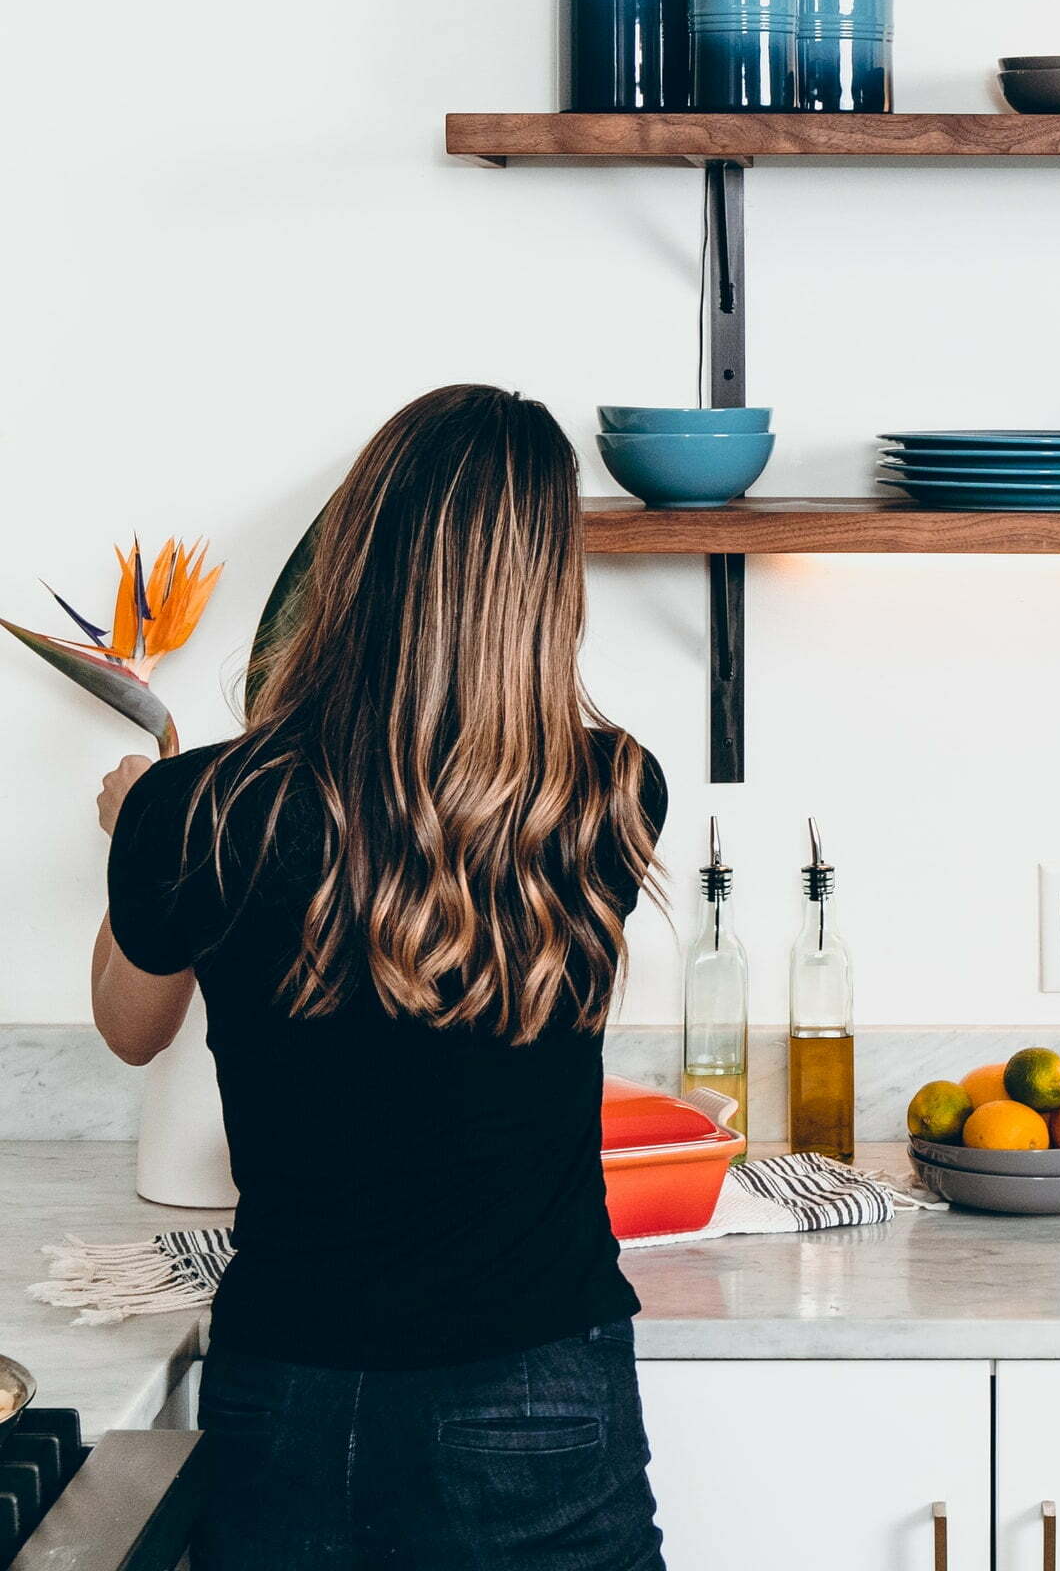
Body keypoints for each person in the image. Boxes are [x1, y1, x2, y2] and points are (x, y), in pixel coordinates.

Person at [93, 385, 670, 1570]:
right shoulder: (611, 794)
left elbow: (128, 1027)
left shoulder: (199, 807)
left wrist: (135, 840)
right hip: (537, 1383)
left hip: (291, 1384)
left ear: (351, 551)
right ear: (547, 589)